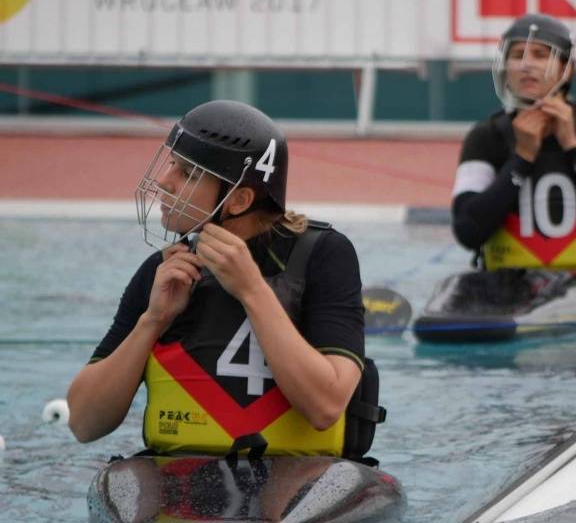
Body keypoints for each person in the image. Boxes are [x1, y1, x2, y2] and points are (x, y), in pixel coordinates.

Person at [67, 100, 378, 461]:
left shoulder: (324, 257)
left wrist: (252, 290)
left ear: (239, 199)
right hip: (180, 481)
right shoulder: (165, 271)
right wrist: (152, 321)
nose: (165, 183)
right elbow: (84, 423)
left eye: (187, 174)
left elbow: (326, 407)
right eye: (171, 165)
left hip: (298, 482)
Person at [451, 13, 576, 272]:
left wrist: (574, 148)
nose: (526, 65)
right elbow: (467, 231)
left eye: (541, 55)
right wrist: (521, 159)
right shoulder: (486, 136)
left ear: (568, 69)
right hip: (507, 287)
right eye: (517, 54)